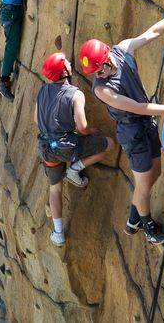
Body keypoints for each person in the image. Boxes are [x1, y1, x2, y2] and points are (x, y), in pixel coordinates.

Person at [79, 0, 164, 245]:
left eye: (100, 69)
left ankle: (133, 217)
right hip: (132, 133)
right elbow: (138, 107)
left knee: (156, 172)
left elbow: (152, 33)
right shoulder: (102, 90)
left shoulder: (122, 49)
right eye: (96, 72)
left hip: (146, 123)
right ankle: (147, 225)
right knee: (143, 186)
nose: (99, 74)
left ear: (107, 56)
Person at [35, 53, 115, 246]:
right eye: (67, 62)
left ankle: (58, 233)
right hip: (68, 147)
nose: (70, 63)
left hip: (46, 147)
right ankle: (74, 169)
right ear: (64, 70)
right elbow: (82, 127)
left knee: (55, 188)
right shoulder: (76, 94)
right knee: (109, 144)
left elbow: (36, 119)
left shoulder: (43, 90)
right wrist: (91, 131)